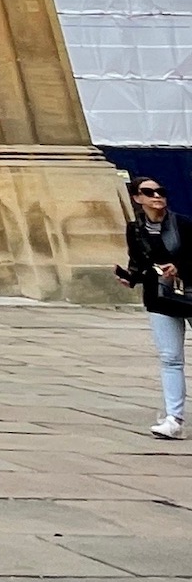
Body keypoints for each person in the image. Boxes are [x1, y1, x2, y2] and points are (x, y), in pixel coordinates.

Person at [120, 174, 186, 439]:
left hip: (190, 291)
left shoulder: (182, 224)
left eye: (160, 191)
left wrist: (181, 267)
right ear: (137, 199)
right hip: (161, 297)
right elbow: (139, 261)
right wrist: (130, 277)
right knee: (170, 358)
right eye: (149, 192)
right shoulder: (135, 228)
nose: (157, 196)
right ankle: (173, 419)